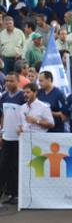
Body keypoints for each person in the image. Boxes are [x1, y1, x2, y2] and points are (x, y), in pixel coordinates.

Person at [0, 72, 25, 204]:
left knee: (16, 166)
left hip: (19, 138)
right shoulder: (4, 96)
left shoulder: (22, 96)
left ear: (17, 82)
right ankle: (8, 191)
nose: (8, 83)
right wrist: (2, 132)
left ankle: (16, 194)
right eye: (6, 81)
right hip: (7, 137)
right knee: (4, 165)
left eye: (11, 81)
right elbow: (3, 115)